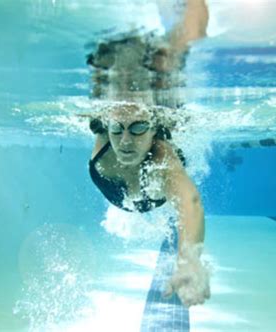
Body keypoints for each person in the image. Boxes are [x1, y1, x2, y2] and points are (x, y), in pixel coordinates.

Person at [81, 0, 210, 307]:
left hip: (153, 194)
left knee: (178, 47)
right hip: (115, 193)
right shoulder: (104, 128)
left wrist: (188, 259)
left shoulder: (162, 156)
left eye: (139, 128)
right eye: (117, 129)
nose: (125, 140)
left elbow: (189, 201)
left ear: (155, 129)